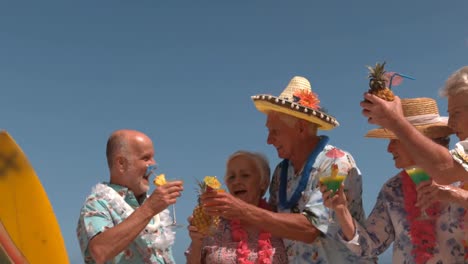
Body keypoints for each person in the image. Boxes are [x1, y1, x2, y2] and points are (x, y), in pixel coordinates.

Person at [202, 76, 372, 263]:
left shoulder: (335, 162)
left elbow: (310, 230)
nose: (268, 140)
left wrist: (241, 209)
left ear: (301, 128)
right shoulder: (281, 174)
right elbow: (270, 222)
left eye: (274, 131)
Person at [323, 97, 466, 263]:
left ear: (418, 141)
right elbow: (368, 247)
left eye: (395, 139)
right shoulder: (393, 189)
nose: (388, 148)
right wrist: (341, 209)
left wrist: (456, 195)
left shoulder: (463, 178)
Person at [361, 66, 468, 255]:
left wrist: (395, 120)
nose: (451, 124)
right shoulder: (393, 189)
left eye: (456, 113)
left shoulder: (457, 174)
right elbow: (369, 245)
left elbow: (444, 169)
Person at [76, 129, 184, 264]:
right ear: (121, 163)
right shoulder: (97, 204)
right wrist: (149, 209)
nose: (154, 164)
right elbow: (99, 251)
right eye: (146, 158)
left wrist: (197, 242)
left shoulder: (156, 211)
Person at [185, 150, 288, 263]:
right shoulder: (213, 223)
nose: (236, 181)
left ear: (263, 182)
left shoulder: (280, 222)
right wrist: (197, 243)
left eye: (245, 175)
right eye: (231, 177)